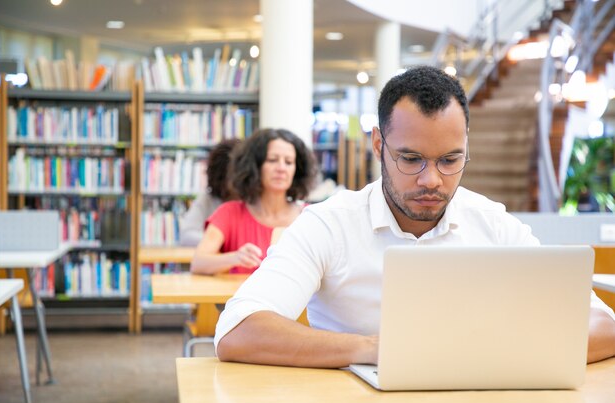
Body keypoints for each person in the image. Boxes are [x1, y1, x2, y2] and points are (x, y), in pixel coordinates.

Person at [214, 66, 615, 368]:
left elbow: (603, 324)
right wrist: (376, 348)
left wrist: (494, 352)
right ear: (378, 144)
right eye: (410, 159)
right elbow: (237, 330)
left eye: (450, 160)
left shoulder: (492, 223)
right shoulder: (329, 224)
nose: (431, 180)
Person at [189, 128, 317, 275]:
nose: (281, 168)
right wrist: (235, 258)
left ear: (297, 170)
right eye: (272, 160)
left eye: (288, 162)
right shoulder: (229, 213)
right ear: (255, 166)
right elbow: (198, 263)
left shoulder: (309, 217)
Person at [179, 139, 240, 247]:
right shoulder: (207, 200)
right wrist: (222, 242)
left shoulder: (255, 201)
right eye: (232, 175)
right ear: (220, 177)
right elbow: (186, 236)